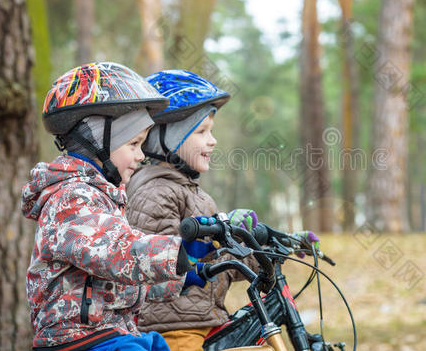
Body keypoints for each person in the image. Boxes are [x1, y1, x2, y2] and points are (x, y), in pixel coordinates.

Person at [125, 69, 320, 351]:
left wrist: (270, 245)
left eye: (211, 131)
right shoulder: (155, 193)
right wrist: (224, 247)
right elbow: (166, 268)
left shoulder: (194, 194)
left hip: (203, 321)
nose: (212, 140)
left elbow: (225, 266)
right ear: (166, 138)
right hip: (175, 332)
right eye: (201, 131)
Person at [21, 62, 195, 351]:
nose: (141, 155)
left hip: (112, 333)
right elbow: (117, 252)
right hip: (75, 340)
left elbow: (116, 284)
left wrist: (188, 276)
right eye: (134, 144)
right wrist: (177, 251)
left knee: (155, 345)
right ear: (97, 141)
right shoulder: (71, 197)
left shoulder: (104, 197)